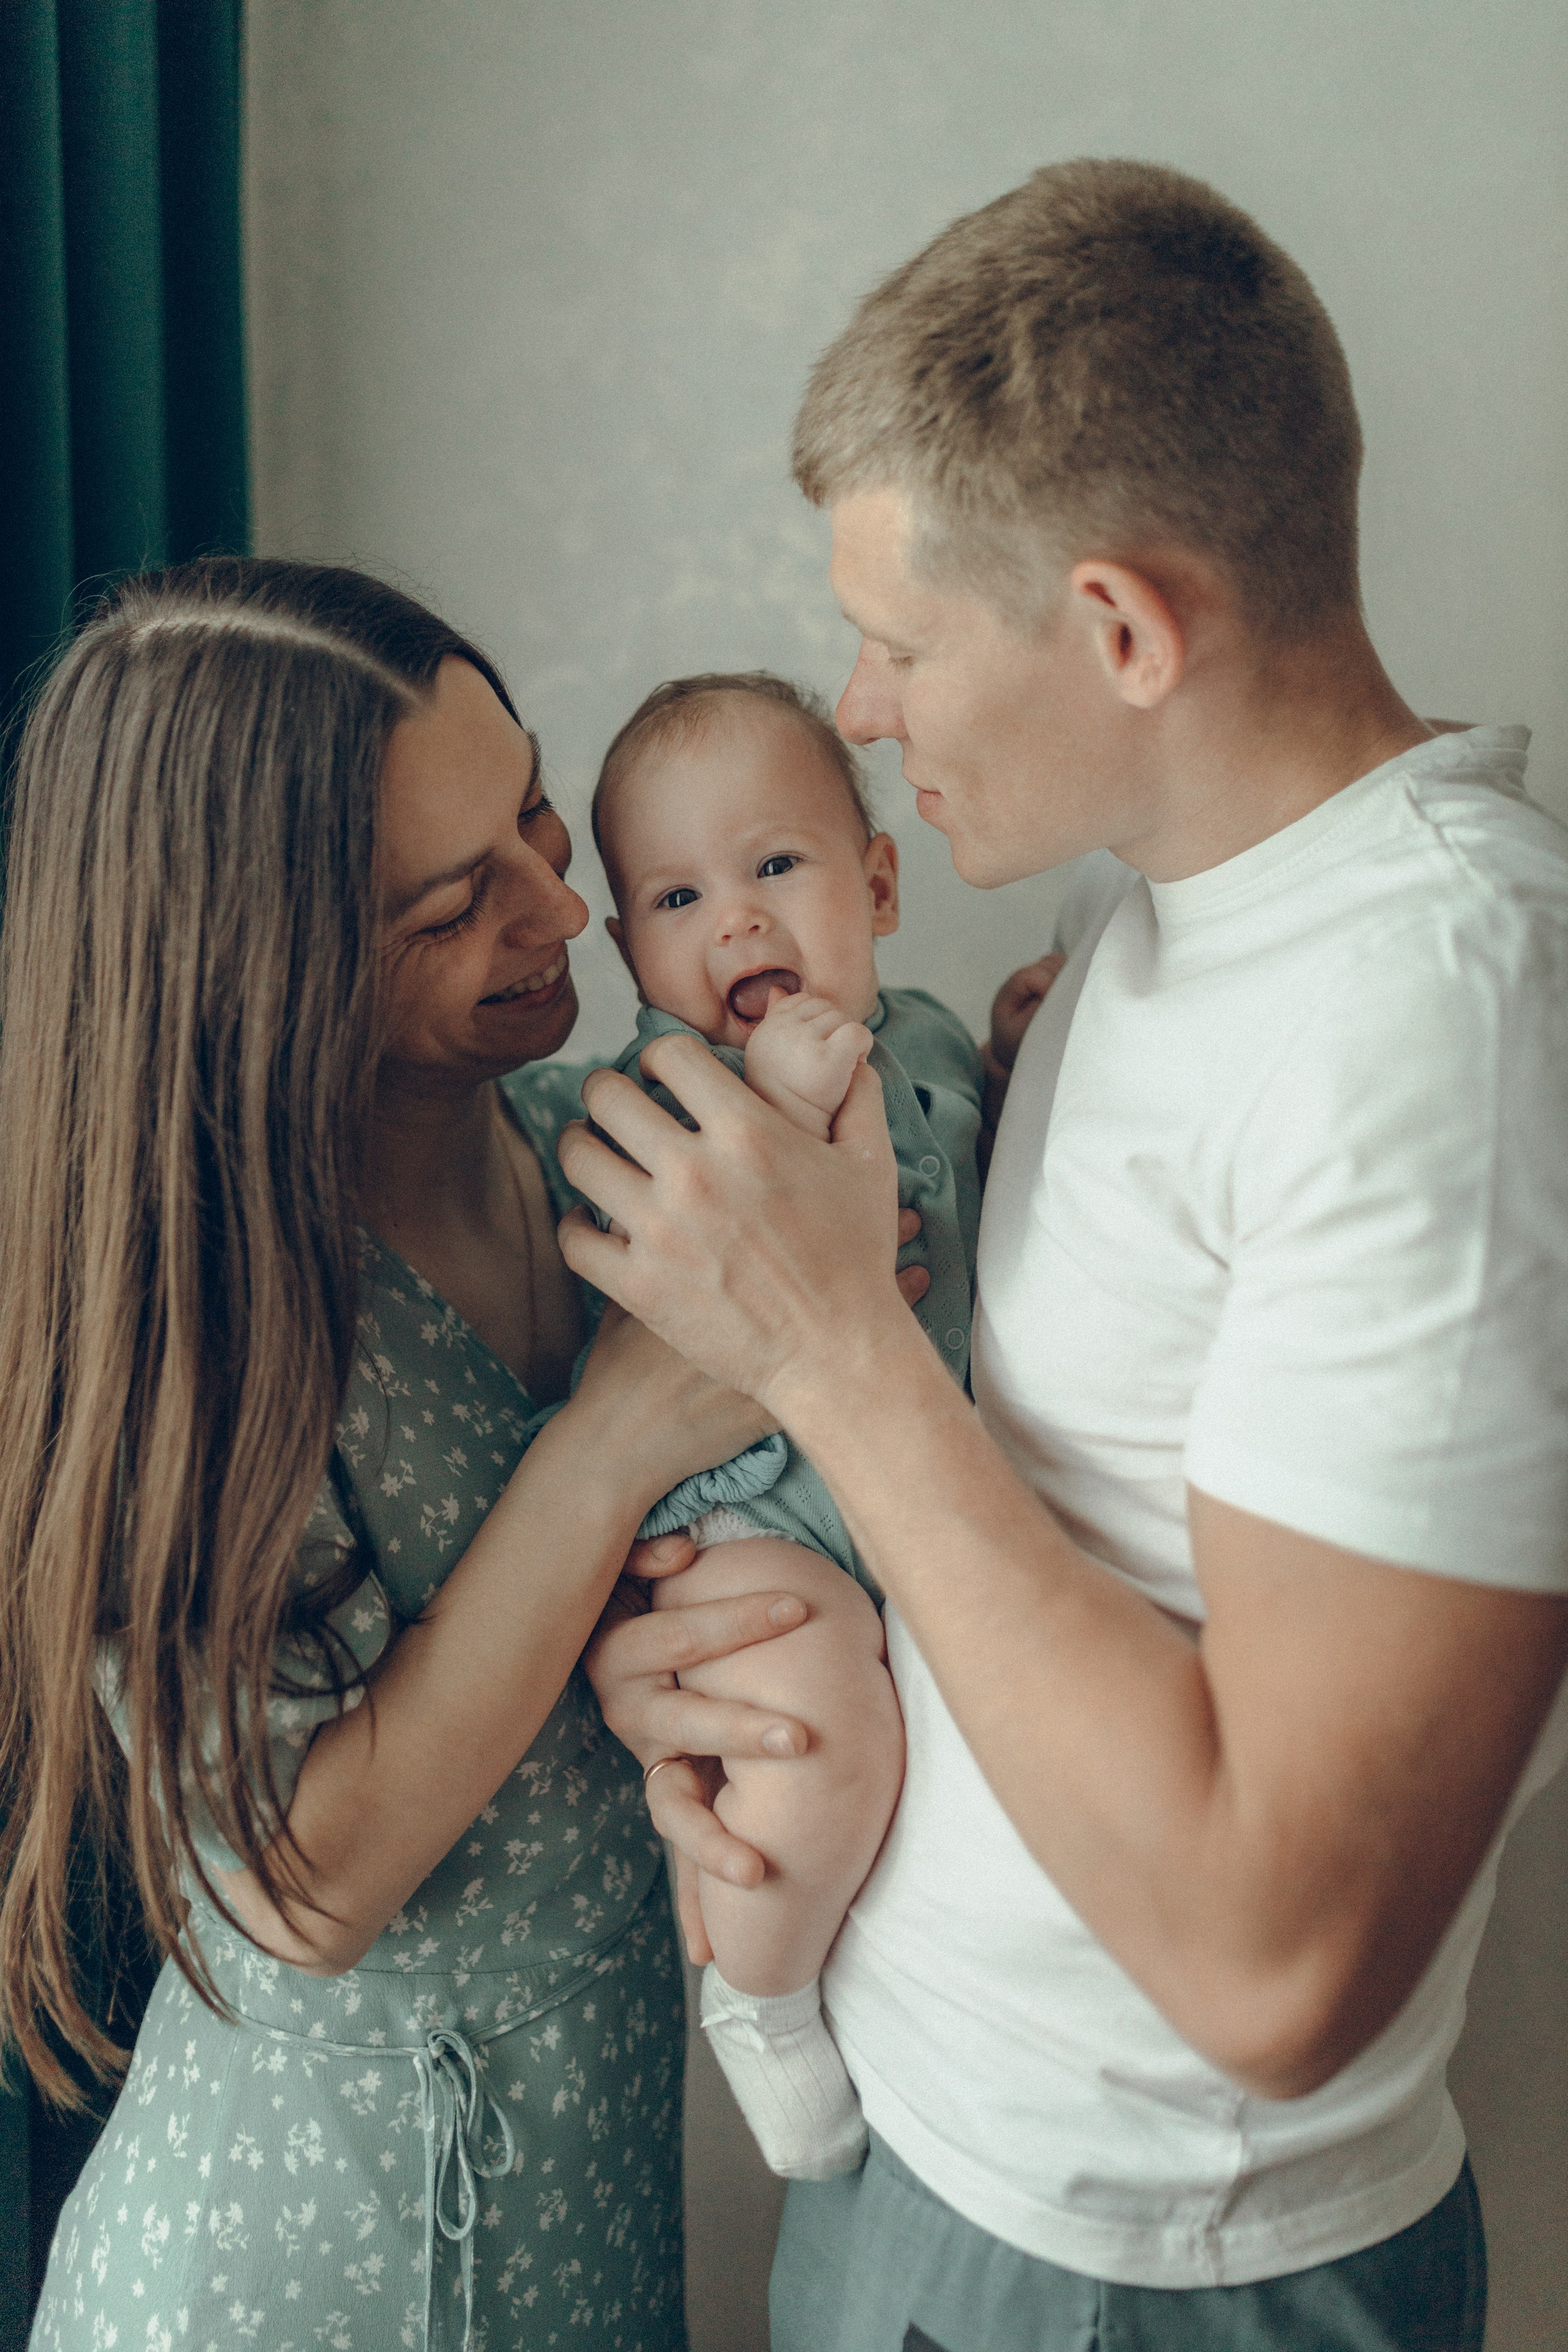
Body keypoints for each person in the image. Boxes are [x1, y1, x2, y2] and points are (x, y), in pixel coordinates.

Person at [565, 160, 1568, 2352]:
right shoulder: (1152, 911)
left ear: (1121, 630)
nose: (869, 702)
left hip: (1135, 2275)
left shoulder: (1442, 1024)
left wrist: (833, 1356)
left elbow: (1276, 1966)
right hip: (933, 2157)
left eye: (905, 641)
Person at [0, 557, 793, 2352]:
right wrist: (608, 1446)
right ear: (258, 965)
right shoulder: (181, 1326)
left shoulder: (586, 1138)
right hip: (304, 2273)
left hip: (583, 2209)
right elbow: (298, 1887)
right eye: (456, 905)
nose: (564, 917)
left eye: (534, 815)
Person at [589, 670, 1042, 2183]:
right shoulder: (652, 1094)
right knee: (810, 1738)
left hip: (932, 1492)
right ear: (626, 946)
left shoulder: (911, 1041)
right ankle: (764, 2003)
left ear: (880, 881)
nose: (736, 922)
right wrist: (771, 1107)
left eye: (775, 866)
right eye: (676, 894)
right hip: (752, 1514)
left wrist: (1009, 1054)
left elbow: (976, 1174)